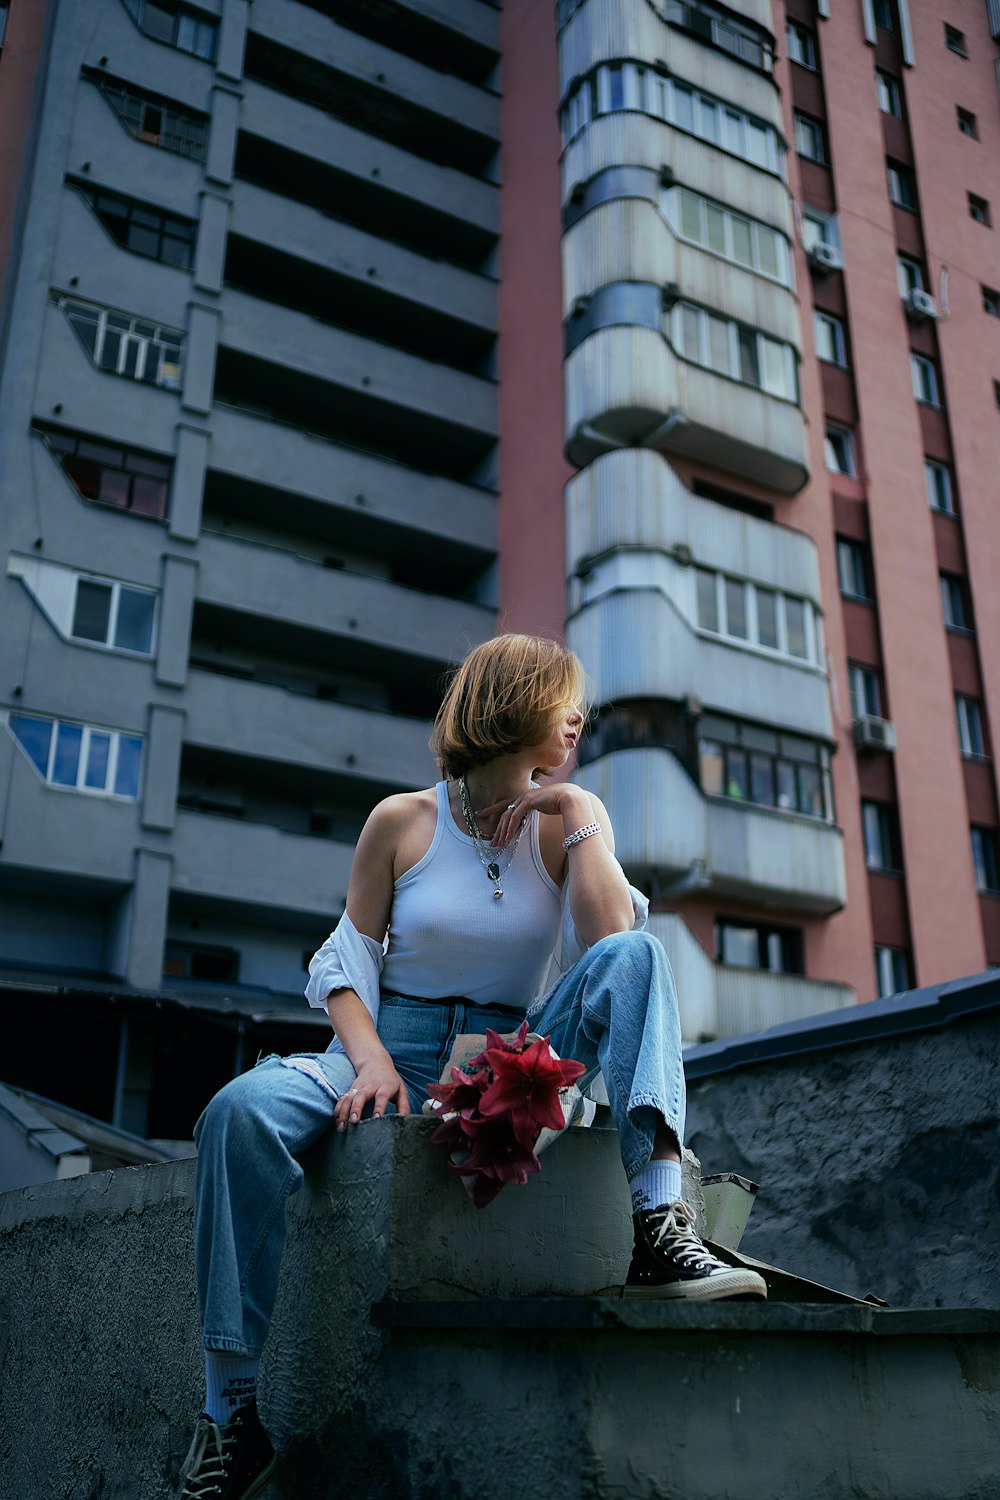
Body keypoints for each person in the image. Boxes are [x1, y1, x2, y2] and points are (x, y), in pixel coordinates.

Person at [178, 634, 765, 1500]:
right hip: (387, 1048)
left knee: (642, 959)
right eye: (561, 701)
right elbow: (342, 964)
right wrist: (370, 1060)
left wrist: (584, 816)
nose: (577, 719)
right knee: (239, 1110)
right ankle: (231, 1416)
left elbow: (613, 951)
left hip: (510, 1057)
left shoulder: (565, 827)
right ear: (511, 701)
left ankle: (659, 1224)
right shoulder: (403, 822)